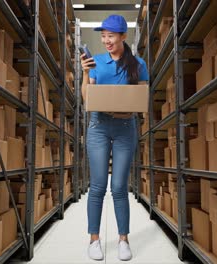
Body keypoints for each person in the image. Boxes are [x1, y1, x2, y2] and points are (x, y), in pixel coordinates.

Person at [80, 14, 149, 261]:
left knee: (119, 187)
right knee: (97, 185)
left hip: (125, 127)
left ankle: (123, 240)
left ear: (122, 36)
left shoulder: (138, 64)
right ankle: (94, 240)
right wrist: (86, 74)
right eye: (103, 36)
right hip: (98, 125)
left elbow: (142, 97)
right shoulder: (96, 61)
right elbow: (87, 98)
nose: (106, 41)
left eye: (110, 36)